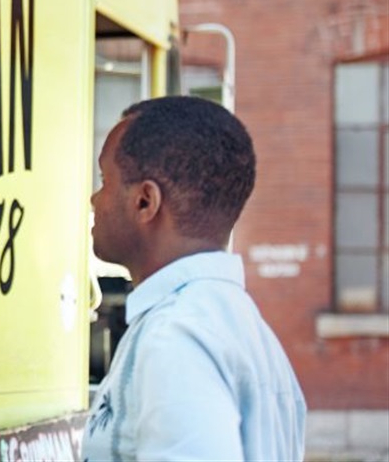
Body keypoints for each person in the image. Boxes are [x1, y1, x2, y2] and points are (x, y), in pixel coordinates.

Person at [82, 96, 305, 461]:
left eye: (105, 180)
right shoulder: (243, 327)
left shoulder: (175, 335)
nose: (94, 199)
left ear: (145, 202)